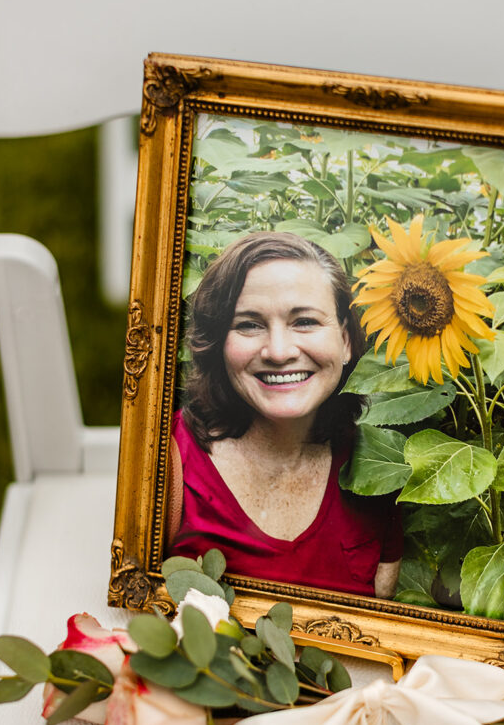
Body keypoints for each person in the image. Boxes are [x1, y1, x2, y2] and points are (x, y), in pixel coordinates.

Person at [165, 231, 402, 599]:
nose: (278, 351)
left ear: (345, 340)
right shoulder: (167, 462)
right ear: (217, 343)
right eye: (249, 324)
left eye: (304, 321)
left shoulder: (380, 469)